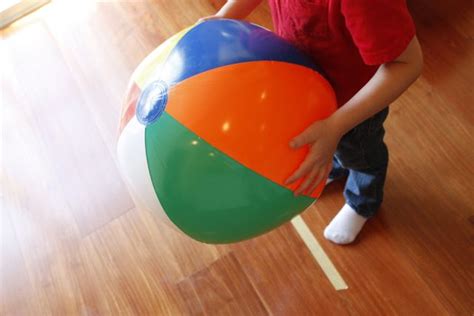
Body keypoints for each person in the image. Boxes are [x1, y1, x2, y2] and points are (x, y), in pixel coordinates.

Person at [200, 0, 423, 244]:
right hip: (305, 91)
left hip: (352, 106)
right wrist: (226, 15)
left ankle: (363, 200)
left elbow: (407, 64)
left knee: (361, 156)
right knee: (329, 147)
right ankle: (336, 165)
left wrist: (336, 125)